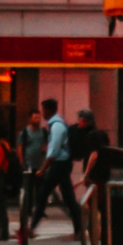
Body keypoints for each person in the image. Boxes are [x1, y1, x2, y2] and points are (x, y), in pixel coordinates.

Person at [28, 99, 80, 236]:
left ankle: (31, 228)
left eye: (44, 110)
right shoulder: (58, 124)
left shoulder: (57, 126)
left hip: (59, 165)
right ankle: (79, 229)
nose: (42, 113)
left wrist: (43, 169)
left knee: (42, 194)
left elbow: (53, 152)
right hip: (62, 164)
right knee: (68, 197)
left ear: (50, 110)